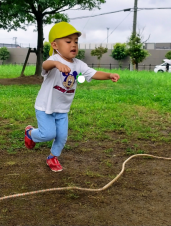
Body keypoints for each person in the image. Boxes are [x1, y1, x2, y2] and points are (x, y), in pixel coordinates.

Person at [24, 22, 120, 172]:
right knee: (48, 134)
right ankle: (30, 133)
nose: (73, 45)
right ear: (55, 45)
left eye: (76, 41)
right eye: (68, 41)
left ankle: (52, 157)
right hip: (45, 106)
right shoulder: (53, 60)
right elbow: (45, 65)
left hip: (62, 109)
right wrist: (56, 64)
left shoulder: (79, 64)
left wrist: (109, 75)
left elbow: (93, 73)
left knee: (61, 137)